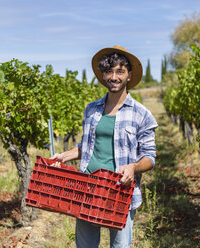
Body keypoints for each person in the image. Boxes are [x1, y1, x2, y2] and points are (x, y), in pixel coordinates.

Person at [50, 45, 158, 248]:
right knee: (85, 245)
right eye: (109, 71)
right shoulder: (91, 109)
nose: (114, 77)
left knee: (119, 246)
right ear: (103, 75)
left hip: (120, 191)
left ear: (129, 75)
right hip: (88, 187)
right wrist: (64, 156)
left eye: (120, 71)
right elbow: (87, 147)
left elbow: (150, 158)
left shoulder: (142, 114)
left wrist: (133, 168)